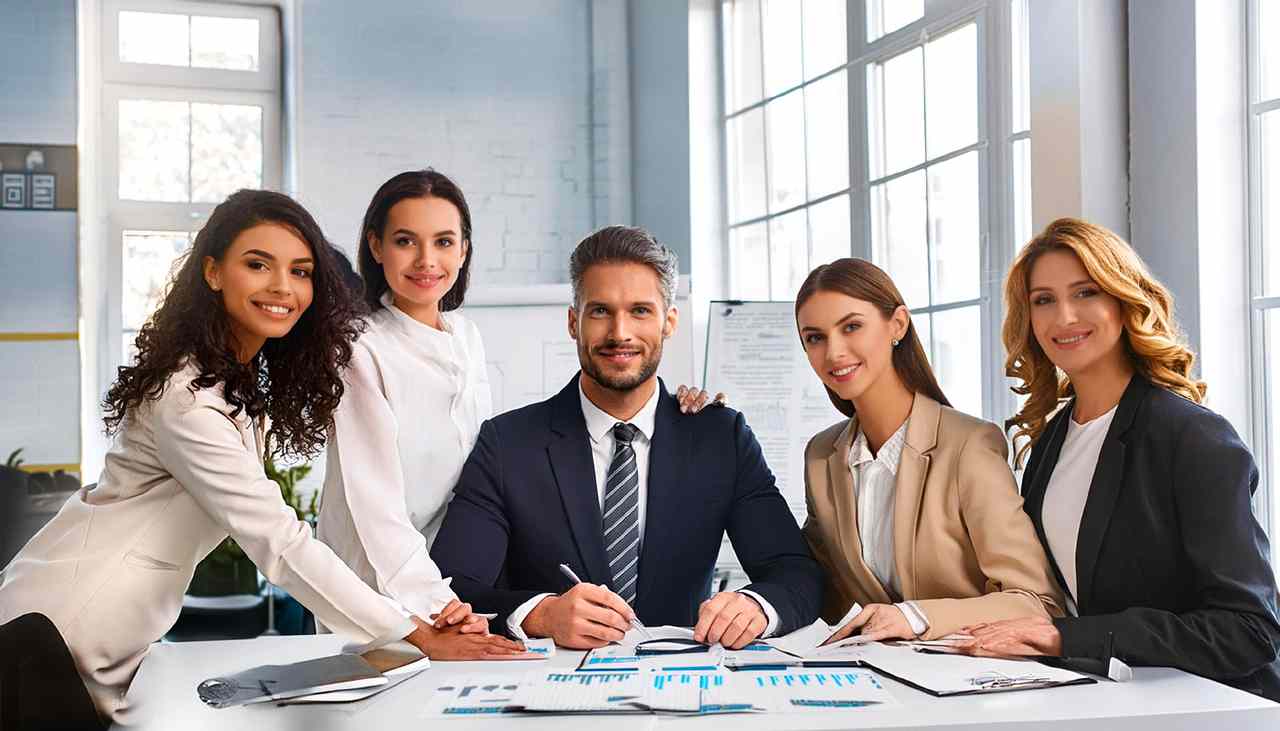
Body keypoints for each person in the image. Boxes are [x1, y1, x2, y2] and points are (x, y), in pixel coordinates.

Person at [0, 190, 524, 729]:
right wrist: (415, 630)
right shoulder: (185, 399)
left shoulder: (235, 382)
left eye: (300, 271)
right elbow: (278, 540)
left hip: (108, 641)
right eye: (258, 264)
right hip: (53, 633)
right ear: (212, 271)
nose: (282, 287)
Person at [316, 171, 721, 632]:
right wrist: (440, 605)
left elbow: (484, 468)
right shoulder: (358, 349)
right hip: (383, 588)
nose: (427, 260)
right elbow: (375, 512)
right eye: (406, 241)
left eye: (444, 242)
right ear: (375, 246)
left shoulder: (465, 337)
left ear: (464, 250)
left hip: (454, 577)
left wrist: (676, 409)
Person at [431, 225, 823, 650]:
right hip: (550, 696)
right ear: (572, 322)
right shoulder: (507, 445)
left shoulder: (720, 438)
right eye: (600, 311)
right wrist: (542, 614)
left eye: (640, 311)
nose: (620, 333)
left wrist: (756, 607)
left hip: (682, 690)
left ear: (669, 322)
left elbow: (795, 573)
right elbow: (451, 586)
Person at [964, 217, 1280, 702]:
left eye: (1085, 292)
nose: (1063, 316)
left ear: (1123, 299)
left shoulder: (1192, 436)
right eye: (1043, 300)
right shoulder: (1050, 440)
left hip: (1212, 708)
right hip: (1107, 699)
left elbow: (1249, 630)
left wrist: (1066, 637)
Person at [795, 258, 1063, 644]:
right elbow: (818, 584)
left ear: (897, 325)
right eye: (814, 338)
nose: (833, 352)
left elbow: (1037, 602)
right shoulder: (822, 456)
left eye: (851, 326)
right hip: (879, 681)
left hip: (972, 678)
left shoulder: (969, 445)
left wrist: (914, 617)